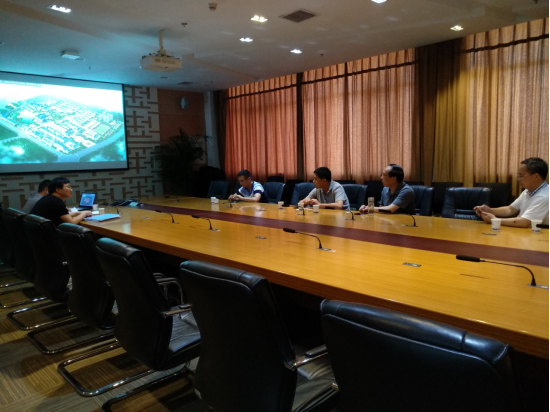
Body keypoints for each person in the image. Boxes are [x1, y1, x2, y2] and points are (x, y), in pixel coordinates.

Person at [474, 157, 549, 228]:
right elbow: (510, 209)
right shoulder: (529, 190)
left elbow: (525, 222)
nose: (518, 179)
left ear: (535, 176)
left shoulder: (544, 196)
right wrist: (490, 210)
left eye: (521, 176)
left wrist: (494, 220)